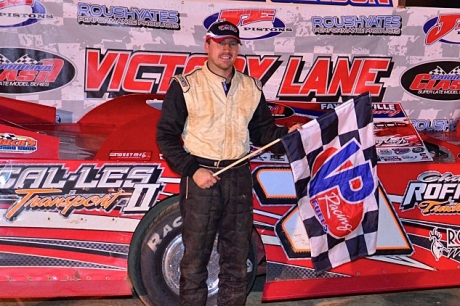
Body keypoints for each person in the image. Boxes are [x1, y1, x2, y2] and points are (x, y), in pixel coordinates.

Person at [156, 20, 301, 306]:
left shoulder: (251, 87)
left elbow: (263, 133)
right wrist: (193, 170)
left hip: (238, 177)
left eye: (232, 44)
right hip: (200, 178)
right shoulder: (186, 85)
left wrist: (289, 135)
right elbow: (166, 136)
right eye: (220, 43)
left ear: (238, 49)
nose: (226, 49)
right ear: (207, 46)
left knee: (236, 262)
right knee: (195, 261)